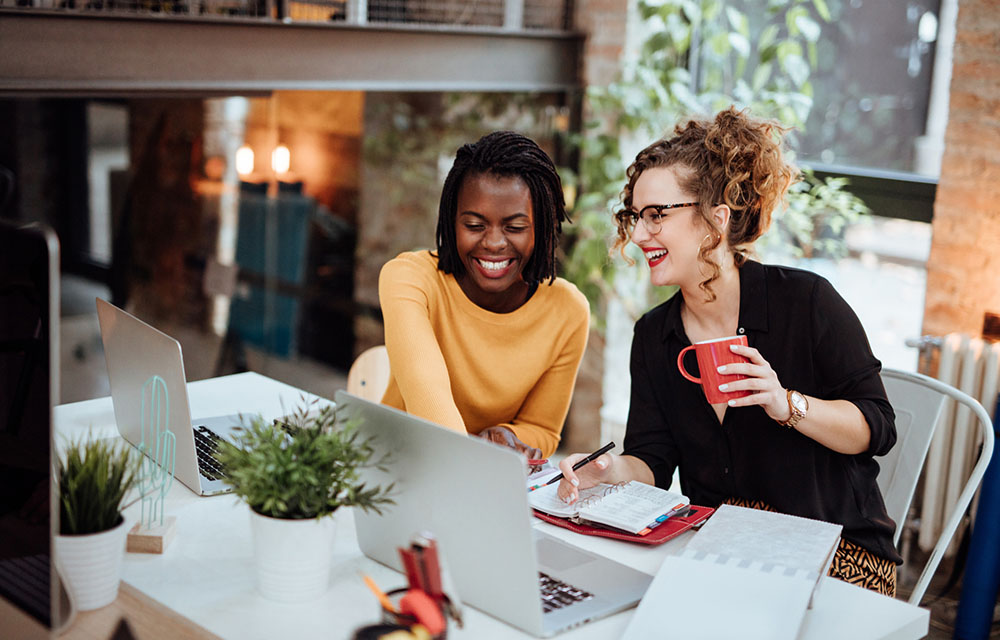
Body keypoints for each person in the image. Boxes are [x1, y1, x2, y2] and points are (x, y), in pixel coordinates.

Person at [557, 107, 901, 596]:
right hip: (725, 548)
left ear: (715, 220)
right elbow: (653, 463)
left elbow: (878, 429)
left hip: (836, 551)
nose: (638, 234)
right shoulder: (655, 336)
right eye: (636, 217)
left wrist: (786, 404)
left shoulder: (806, 302)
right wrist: (607, 472)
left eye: (657, 215)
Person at [378, 131, 590, 460]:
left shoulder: (568, 311)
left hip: (485, 478)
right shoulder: (410, 279)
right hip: (397, 466)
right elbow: (427, 394)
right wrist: (474, 457)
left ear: (543, 228)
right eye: (475, 225)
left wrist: (509, 436)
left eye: (515, 227)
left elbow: (542, 429)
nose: (493, 243)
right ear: (451, 222)